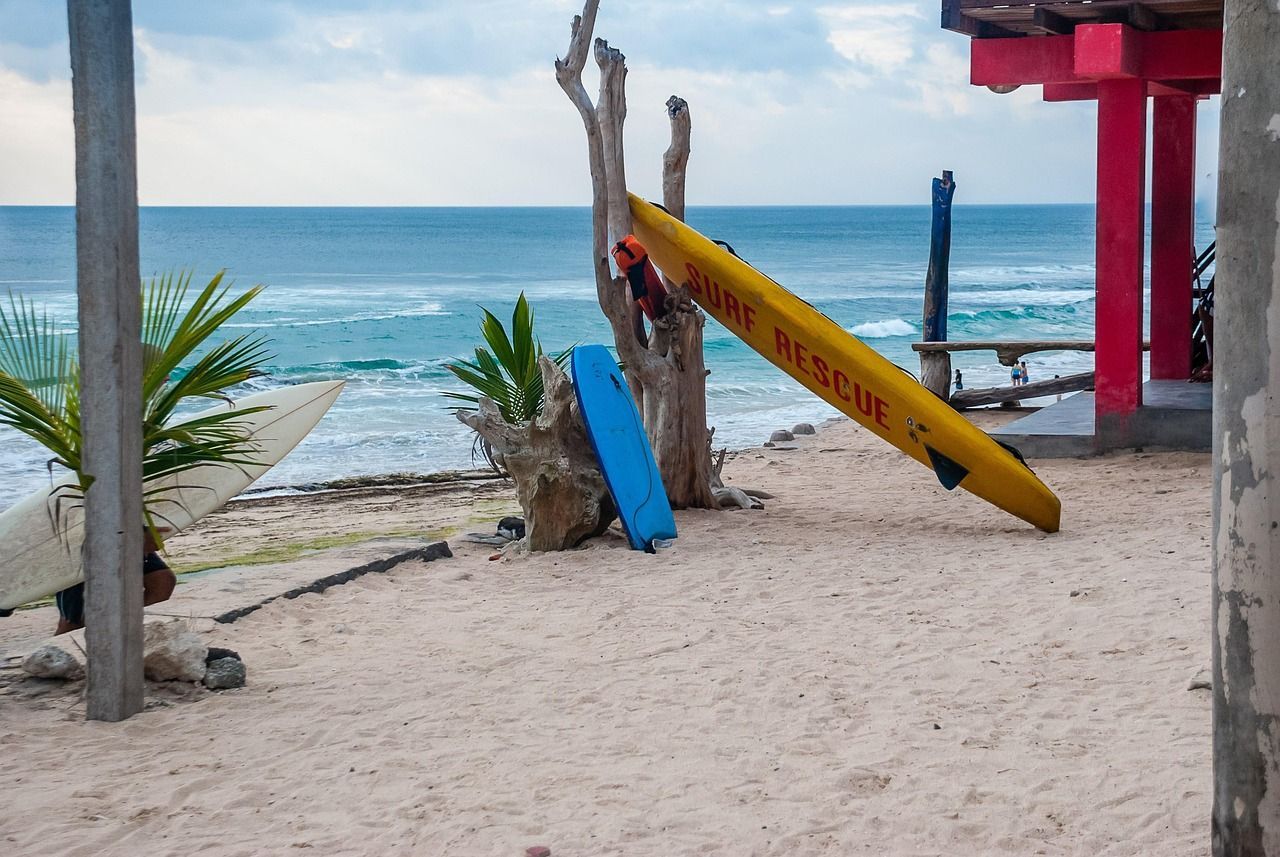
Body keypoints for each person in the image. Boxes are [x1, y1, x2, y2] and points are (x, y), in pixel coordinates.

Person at [54, 526, 176, 635]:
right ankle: (49, 658)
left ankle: (121, 633)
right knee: (76, 618)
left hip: (122, 528)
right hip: (77, 534)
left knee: (162, 580)